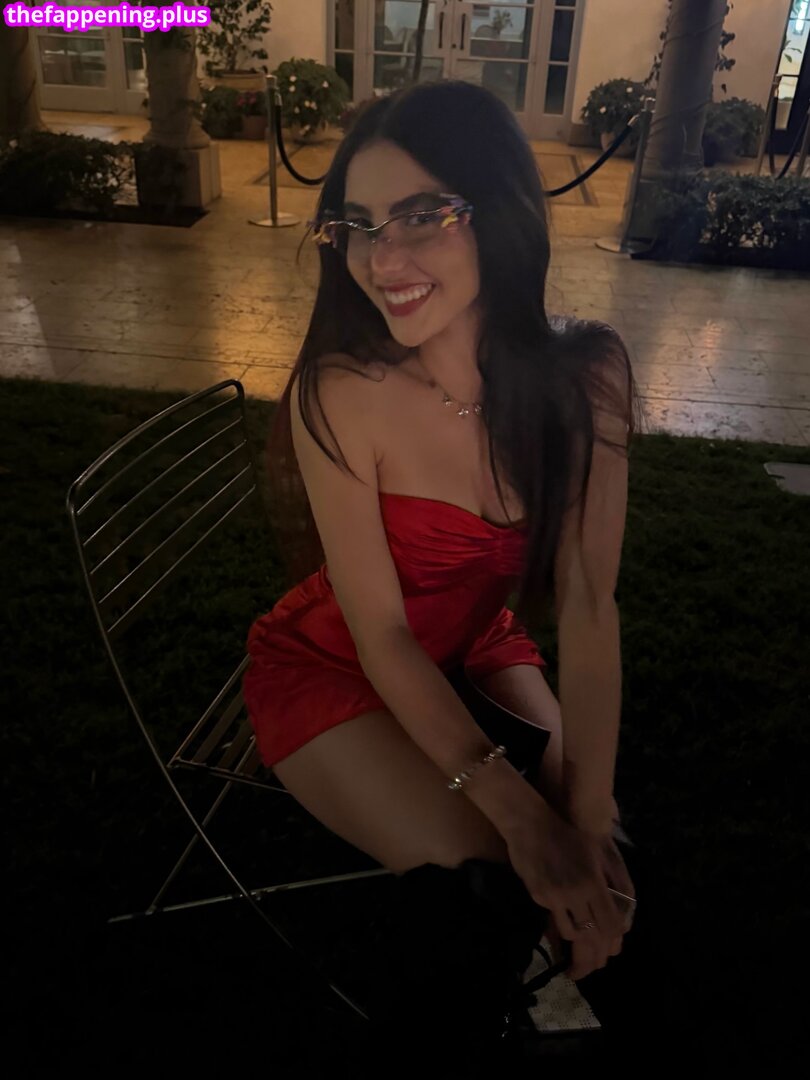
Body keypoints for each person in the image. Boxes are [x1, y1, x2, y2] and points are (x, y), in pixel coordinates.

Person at [243, 79, 644, 1070]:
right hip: (332, 669)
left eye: (424, 215)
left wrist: (586, 820)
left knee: (606, 858)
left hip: (476, 644)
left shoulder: (585, 382)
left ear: (498, 209)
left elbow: (589, 607)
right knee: (495, 877)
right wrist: (521, 813)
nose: (384, 261)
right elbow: (380, 635)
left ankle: (552, 993)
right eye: (360, 225)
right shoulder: (345, 395)